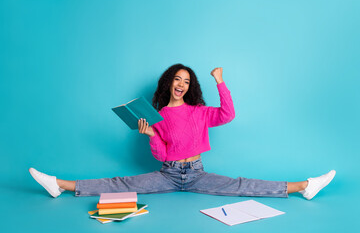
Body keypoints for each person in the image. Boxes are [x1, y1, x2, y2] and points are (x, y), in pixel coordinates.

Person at [29, 64, 336, 200]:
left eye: (186, 81)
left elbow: (228, 114)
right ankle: (61, 185)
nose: (181, 84)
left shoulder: (199, 112)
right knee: (120, 183)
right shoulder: (160, 115)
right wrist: (151, 136)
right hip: (167, 173)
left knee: (242, 185)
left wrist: (219, 81)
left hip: (198, 172)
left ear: (191, 87)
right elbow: (163, 153)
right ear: (169, 83)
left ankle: (304, 186)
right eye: (177, 79)